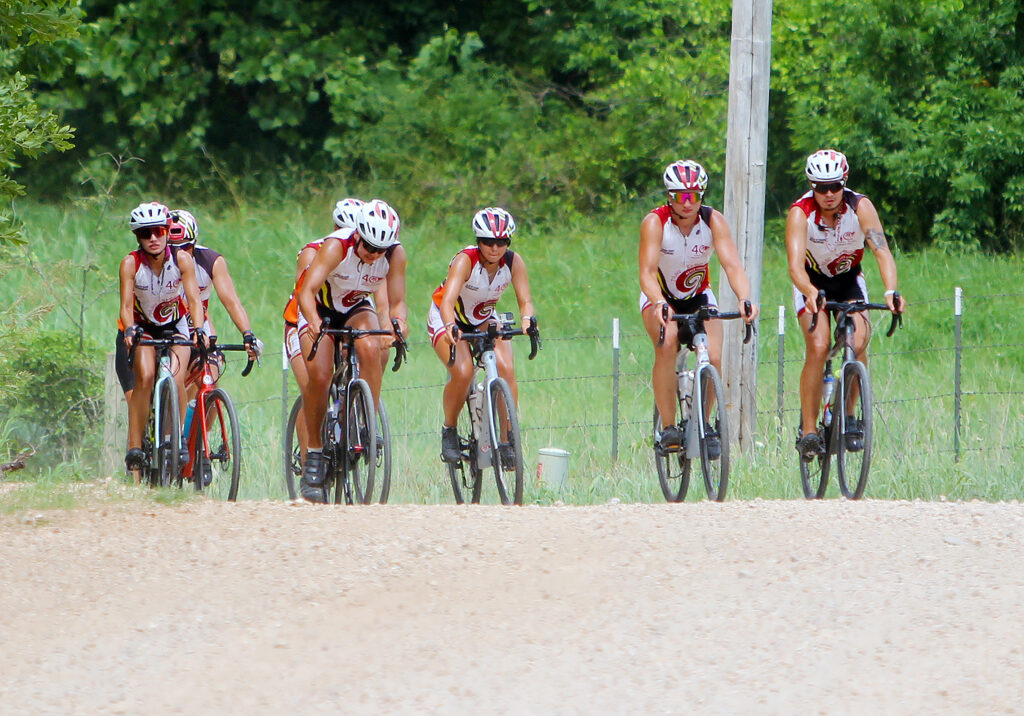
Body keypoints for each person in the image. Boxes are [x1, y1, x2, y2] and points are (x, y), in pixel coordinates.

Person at [786, 149, 906, 461]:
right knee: (819, 347)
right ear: (812, 186)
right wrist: (809, 291)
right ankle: (809, 430)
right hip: (812, 283)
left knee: (859, 341)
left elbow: (881, 251)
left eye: (835, 186)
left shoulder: (860, 206)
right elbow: (795, 267)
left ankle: (849, 415)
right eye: (821, 187)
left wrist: (891, 290)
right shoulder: (800, 213)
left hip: (848, 279)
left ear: (845, 182)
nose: (829, 194)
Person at [639, 160, 758, 456]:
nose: (688, 203)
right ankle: (669, 427)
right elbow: (647, 272)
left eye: (694, 195)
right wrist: (659, 302)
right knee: (667, 343)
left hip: (699, 295)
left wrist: (744, 297)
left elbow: (732, 264)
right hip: (660, 295)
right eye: (681, 196)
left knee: (714, 356)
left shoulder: (712, 220)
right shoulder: (655, 222)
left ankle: (704, 425)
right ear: (670, 196)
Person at [295, 199, 409, 502]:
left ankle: (365, 422)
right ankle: (315, 452)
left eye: (380, 249)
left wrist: (398, 323)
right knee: (320, 375)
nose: (373, 254)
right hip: (320, 307)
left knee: (372, 347)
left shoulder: (395, 255)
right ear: (357, 234)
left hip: (355, 306)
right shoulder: (336, 246)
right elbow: (306, 292)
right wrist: (314, 322)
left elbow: (397, 301)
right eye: (368, 246)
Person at [428, 207, 537, 465]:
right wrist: (450, 326)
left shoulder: (514, 262)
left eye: (501, 242)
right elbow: (447, 302)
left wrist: (527, 320)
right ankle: (449, 430)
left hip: (483, 318)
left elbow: (525, 301)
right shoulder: (465, 261)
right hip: (448, 316)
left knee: (506, 368)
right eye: (488, 241)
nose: (495, 248)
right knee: (463, 371)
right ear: (478, 241)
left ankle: (507, 440)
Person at [118, 202, 206, 479]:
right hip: (143, 325)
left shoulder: (182, 260)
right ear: (138, 237)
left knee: (177, 377)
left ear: (167, 232)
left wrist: (199, 329)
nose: (153, 238)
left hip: (174, 323)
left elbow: (194, 300)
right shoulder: (130, 263)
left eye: (158, 231)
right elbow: (125, 306)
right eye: (146, 233)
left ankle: (175, 440)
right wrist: (129, 330)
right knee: (144, 377)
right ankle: (135, 445)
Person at [167, 209, 262, 382]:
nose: (180, 254)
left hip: (198, 329)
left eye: (185, 247)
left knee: (210, 376)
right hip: (169, 330)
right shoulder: (158, 266)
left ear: (195, 243)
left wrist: (247, 334)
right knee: (176, 379)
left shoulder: (210, 261)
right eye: (172, 249)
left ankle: (207, 399)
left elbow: (232, 302)